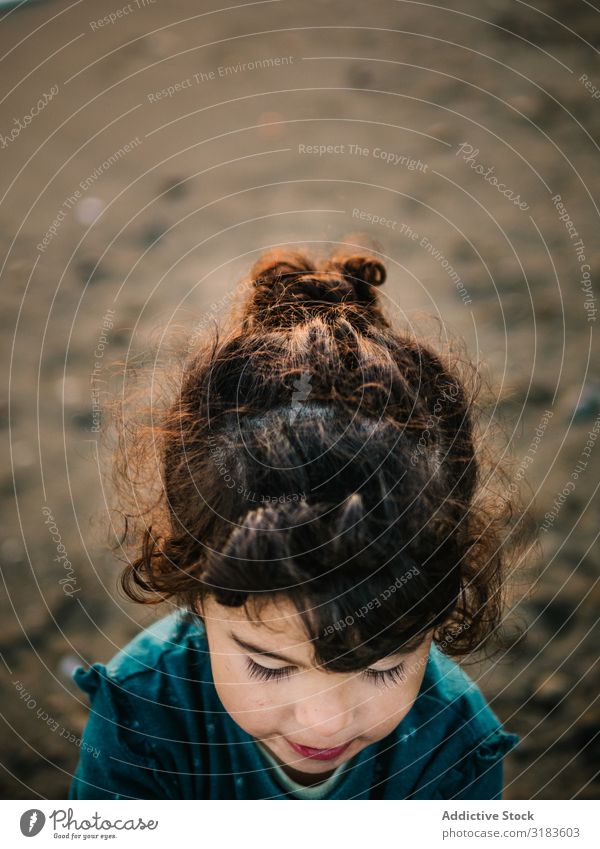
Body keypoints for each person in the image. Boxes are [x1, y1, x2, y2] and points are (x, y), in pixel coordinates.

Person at [69, 245, 530, 799]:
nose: (324, 723)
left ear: (438, 608)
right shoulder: (142, 711)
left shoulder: (453, 746)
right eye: (267, 667)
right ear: (194, 588)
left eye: (384, 669)